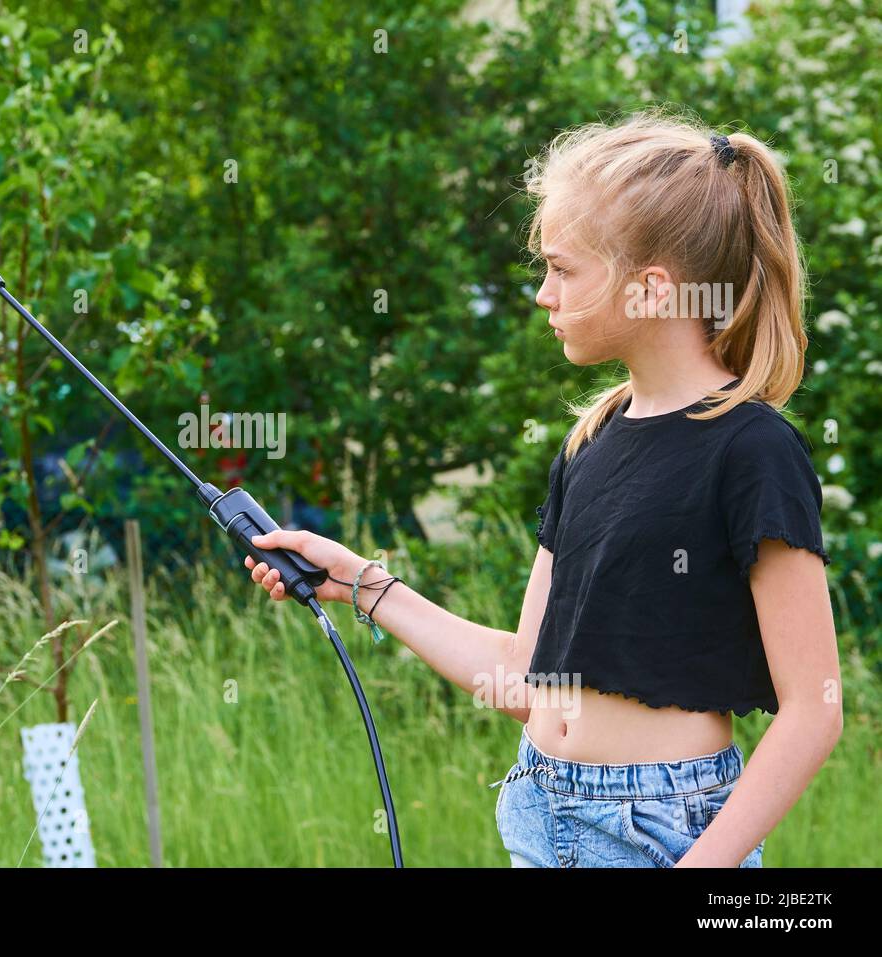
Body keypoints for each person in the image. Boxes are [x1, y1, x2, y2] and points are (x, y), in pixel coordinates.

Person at [243, 111, 842, 868]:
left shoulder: (753, 449)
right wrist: (357, 581)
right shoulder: (590, 441)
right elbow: (528, 677)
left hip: (660, 832)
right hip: (540, 807)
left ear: (652, 288)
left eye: (562, 269)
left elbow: (814, 714)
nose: (542, 294)